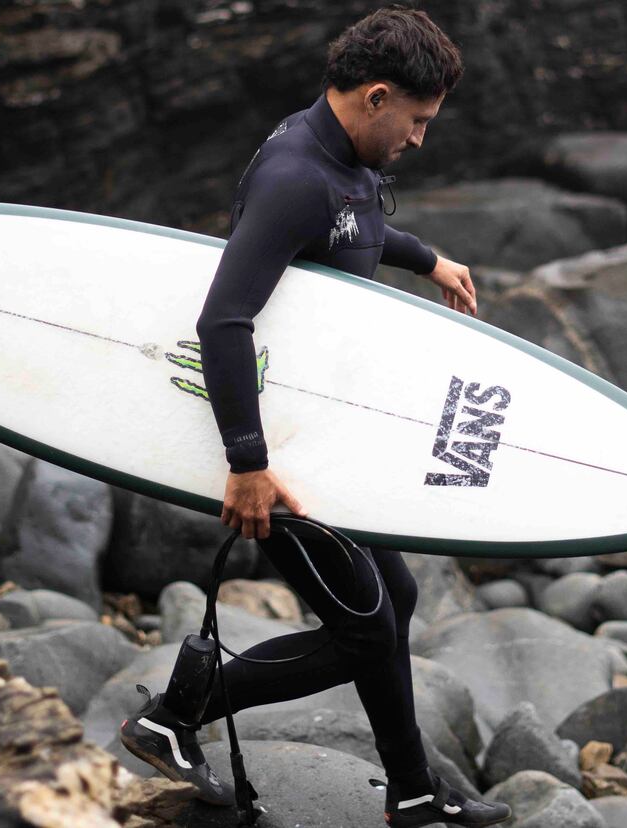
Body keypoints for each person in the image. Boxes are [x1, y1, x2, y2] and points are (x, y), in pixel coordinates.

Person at [121, 8, 510, 827]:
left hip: (323, 439)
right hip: (278, 451)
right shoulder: (294, 174)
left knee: (392, 600)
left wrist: (428, 258)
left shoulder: (341, 161)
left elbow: (354, 227)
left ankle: (413, 792)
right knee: (364, 628)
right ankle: (177, 714)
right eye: (417, 120)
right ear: (377, 97)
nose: (419, 139)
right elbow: (222, 321)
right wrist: (248, 464)